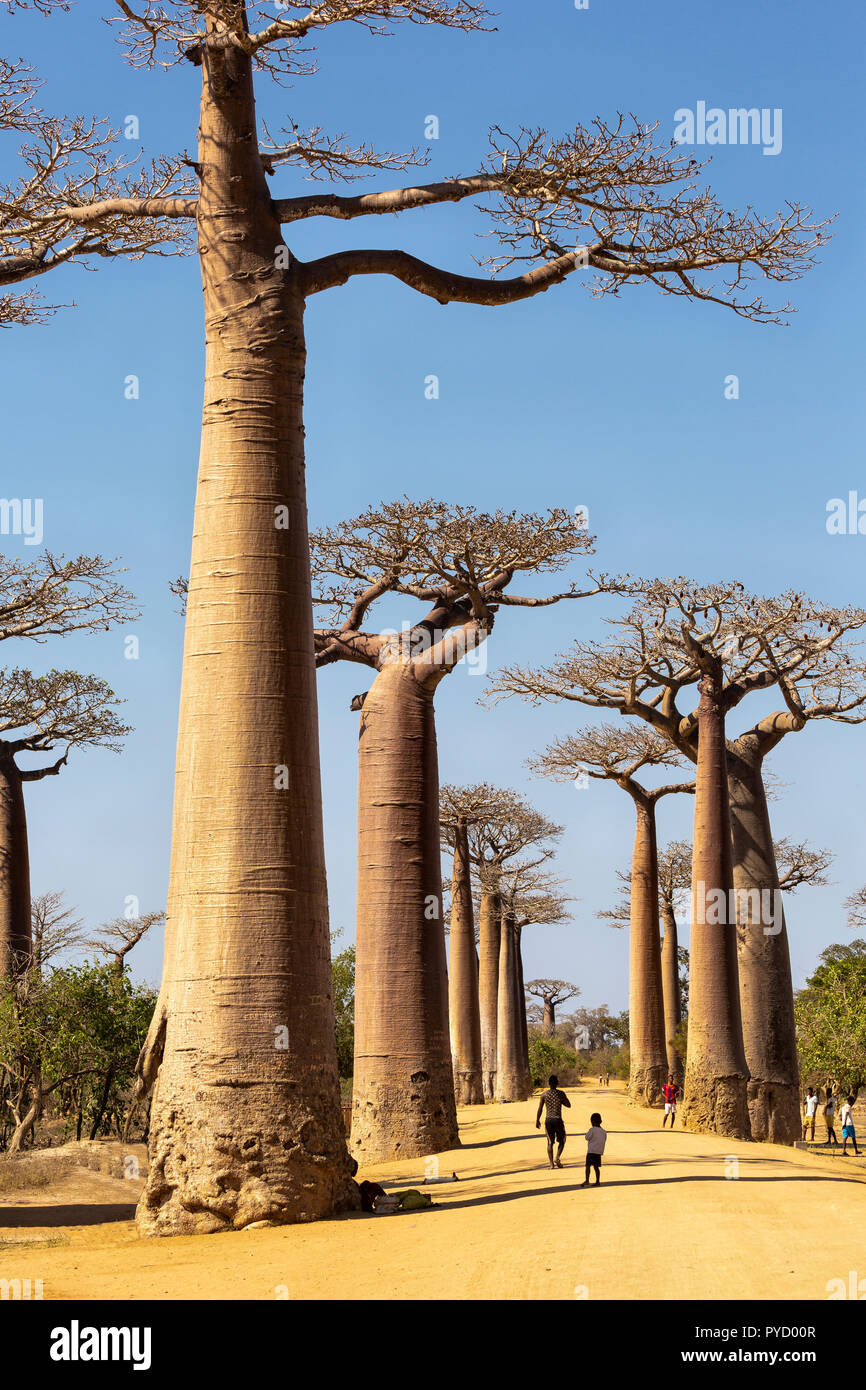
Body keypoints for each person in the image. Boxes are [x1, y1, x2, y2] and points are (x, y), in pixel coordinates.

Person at [536, 1074, 571, 1169]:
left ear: (549, 1083)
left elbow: (540, 1109)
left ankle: (551, 1164)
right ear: (557, 1083)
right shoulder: (561, 1094)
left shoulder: (544, 1095)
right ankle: (557, 1157)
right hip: (558, 1120)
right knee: (562, 1140)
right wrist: (562, 1101)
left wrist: (537, 1120)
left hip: (548, 1121)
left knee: (550, 1142)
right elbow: (569, 1105)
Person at [580, 1112, 606, 1187]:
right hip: (599, 1151)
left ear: (592, 1122)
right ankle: (597, 1181)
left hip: (591, 1151)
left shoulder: (592, 1130)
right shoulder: (604, 1131)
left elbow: (586, 1137)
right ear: (600, 1121)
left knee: (588, 1166)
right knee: (596, 1167)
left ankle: (587, 1180)